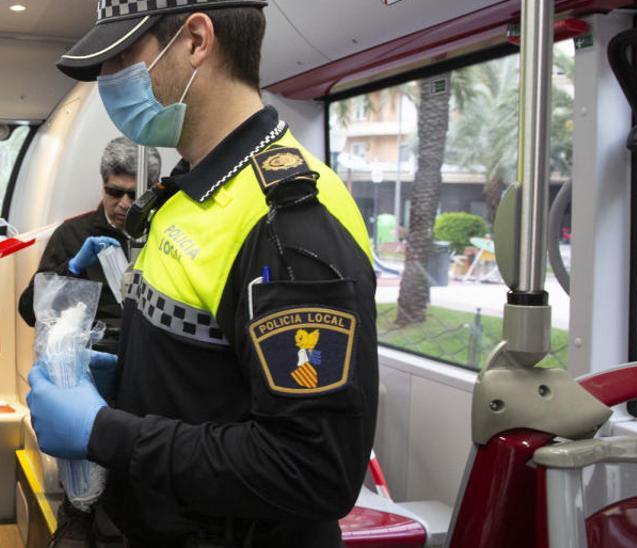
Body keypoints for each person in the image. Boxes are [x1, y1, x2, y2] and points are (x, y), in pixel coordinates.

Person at [26, 2, 379, 547]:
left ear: (195, 40)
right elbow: (211, 376)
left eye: (122, 57)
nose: (107, 79)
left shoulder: (285, 222)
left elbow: (311, 470)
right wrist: (123, 379)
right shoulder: (186, 192)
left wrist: (104, 432)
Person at [17, 137, 161, 355]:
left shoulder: (164, 235)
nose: (123, 204)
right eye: (114, 192)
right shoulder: (72, 235)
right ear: (103, 186)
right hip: (93, 352)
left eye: (134, 195)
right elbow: (30, 311)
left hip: (149, 350)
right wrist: (72, 269)